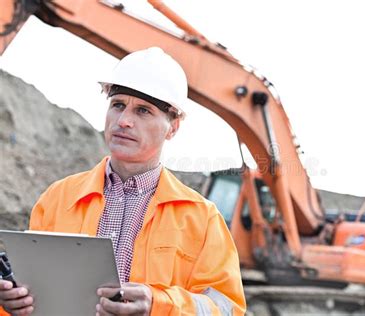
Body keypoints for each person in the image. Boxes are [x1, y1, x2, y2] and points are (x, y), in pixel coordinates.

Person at [0, 47, 246, 316]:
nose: (124, 121)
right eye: (118, 105)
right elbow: (35, 293)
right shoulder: (57, 198)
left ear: (173, 127)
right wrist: (12, 302)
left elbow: (227, 309)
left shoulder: (203, 218)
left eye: (143, 111)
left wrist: (158, 305)